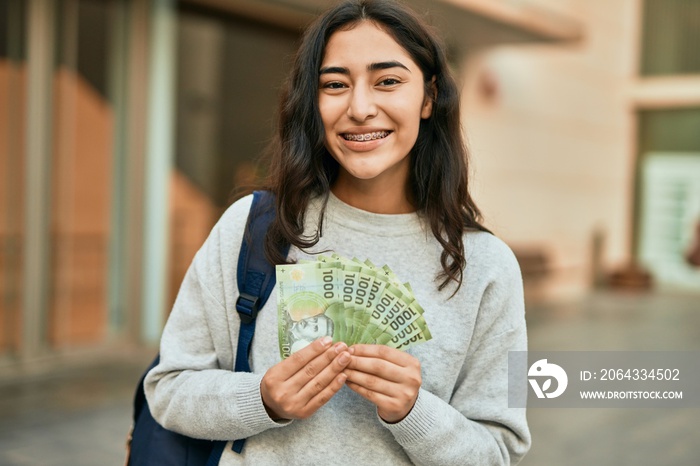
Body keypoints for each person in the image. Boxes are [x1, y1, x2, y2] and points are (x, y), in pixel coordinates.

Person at [145, 1, 531, 464]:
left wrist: (415, 411)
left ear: (428, 98)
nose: (360, 108)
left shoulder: (487, 266)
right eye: (335, 85)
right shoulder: (251, 227)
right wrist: (263, 399)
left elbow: (499, 452)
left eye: (388, 81)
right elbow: (168, 389)